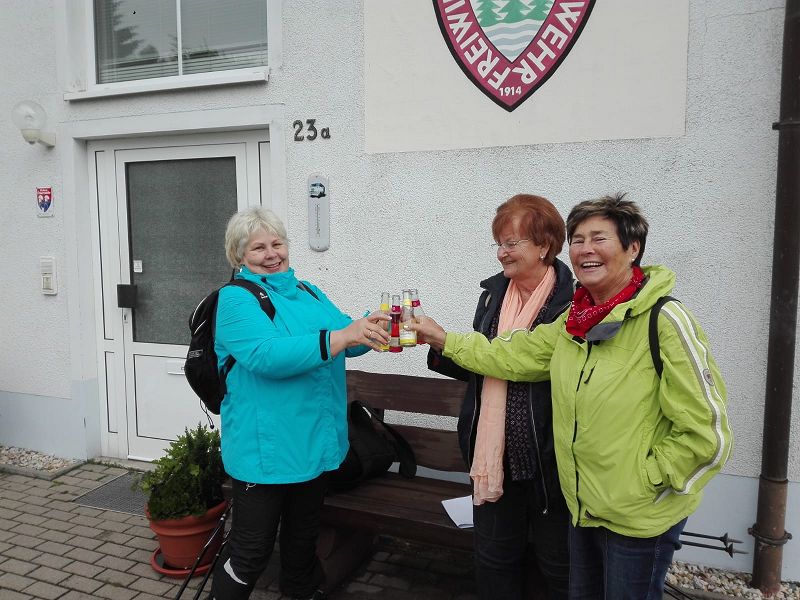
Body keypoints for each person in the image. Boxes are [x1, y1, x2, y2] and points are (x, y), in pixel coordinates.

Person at [412, 194, 733, 600]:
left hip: (636, 514)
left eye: (599, 238)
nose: (585, 249)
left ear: (633, 248)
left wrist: (647, 482)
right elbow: (512, 355)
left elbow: (708, 434)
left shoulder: (664, 320)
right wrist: (442, 339)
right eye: (578, 240)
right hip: (582, 505)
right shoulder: (575, 321)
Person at [209, 207, 390, 600]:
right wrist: (341, 337)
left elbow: (345, 339)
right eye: (258, 248)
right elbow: (267, 356)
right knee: (250, 553)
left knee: (302, 542)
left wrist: (371, 327)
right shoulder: (235, 299)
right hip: (266, 453)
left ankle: (301, 591)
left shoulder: (308, 291)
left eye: (277, 243)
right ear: (239, 256)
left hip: (313, 444)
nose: (271, 254)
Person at [427, 194, 572, 599]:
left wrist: (447, 339)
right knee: (494, 561)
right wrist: (437, 347)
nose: (501, 253)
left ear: (544, 246)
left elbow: (519, 362)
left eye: (512, 243)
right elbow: (487, 364)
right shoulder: (493, 296)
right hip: (493, 458)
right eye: (499, 243)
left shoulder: (571, 302)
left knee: (558, 567)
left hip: (549, 462)